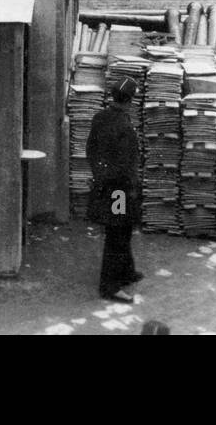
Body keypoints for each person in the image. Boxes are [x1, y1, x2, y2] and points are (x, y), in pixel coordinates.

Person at [87, 76, 143, 302]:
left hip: (105, 184)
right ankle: (110, 286)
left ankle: (126, 272)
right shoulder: (125, 127)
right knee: (117, 234)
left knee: (123, 230)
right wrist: (131, 189)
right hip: (119, 191)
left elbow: (90, 149)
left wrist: (99, 175)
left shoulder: (100, 117)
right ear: (130, 101)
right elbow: (126, 165)